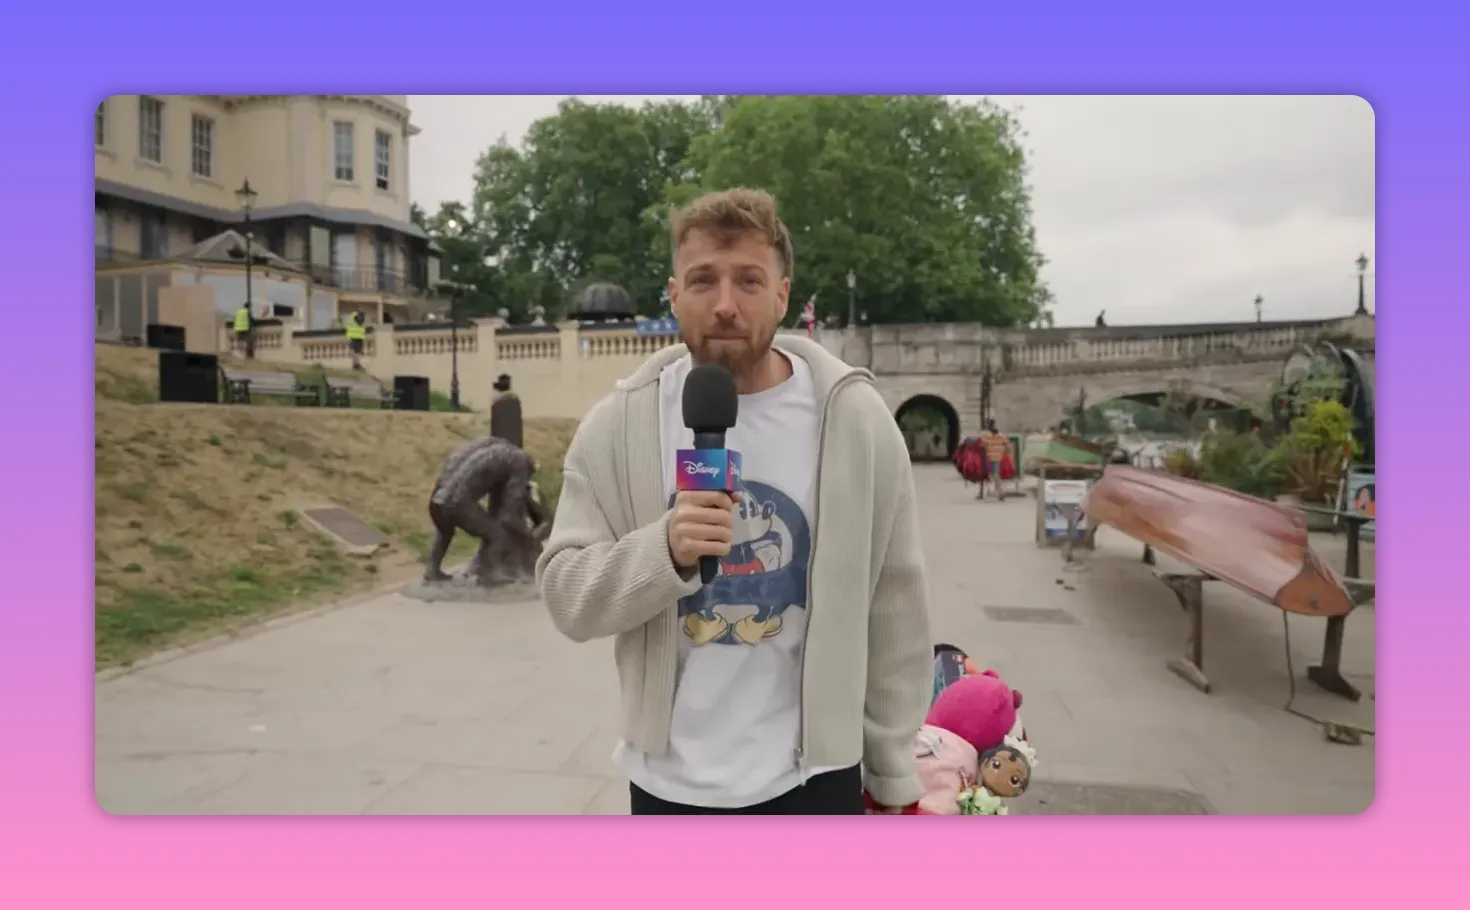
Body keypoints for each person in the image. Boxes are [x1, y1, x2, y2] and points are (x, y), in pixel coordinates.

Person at [537, 187, 933, 816]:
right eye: (703, 281)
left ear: (782, 295)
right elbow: (565, 596)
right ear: (673, 296)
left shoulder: (855, 419)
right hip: (668, 784)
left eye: (749, 280)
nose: (725, 305)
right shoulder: (621, 424)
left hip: (816, 779)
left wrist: (890, 775)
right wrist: (662, 550)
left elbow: (895, 604)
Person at [424, 436, 540, 584]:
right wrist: (528, 538)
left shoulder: (492, 445)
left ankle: (431, 570)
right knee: (497, 534)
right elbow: (509, 516)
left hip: (436, 501)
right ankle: (490, 574)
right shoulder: (521, 464)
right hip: (458, 503)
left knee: (444, 531)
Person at [490, 373, 524, 448]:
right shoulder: (515, 399)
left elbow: (495, 424)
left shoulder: (497, 401)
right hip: (514, 442)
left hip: (500, 442)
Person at [980, 420, 1011, 500]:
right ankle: (997, 491)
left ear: (988, 425)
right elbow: (1007, 445)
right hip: (998, 457)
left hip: (989, 457)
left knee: (993, 475)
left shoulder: (986, 435)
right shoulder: (1001, 435)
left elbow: (982, 446)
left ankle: (1000, 492)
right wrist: (1005, 453)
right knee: (994, 474)